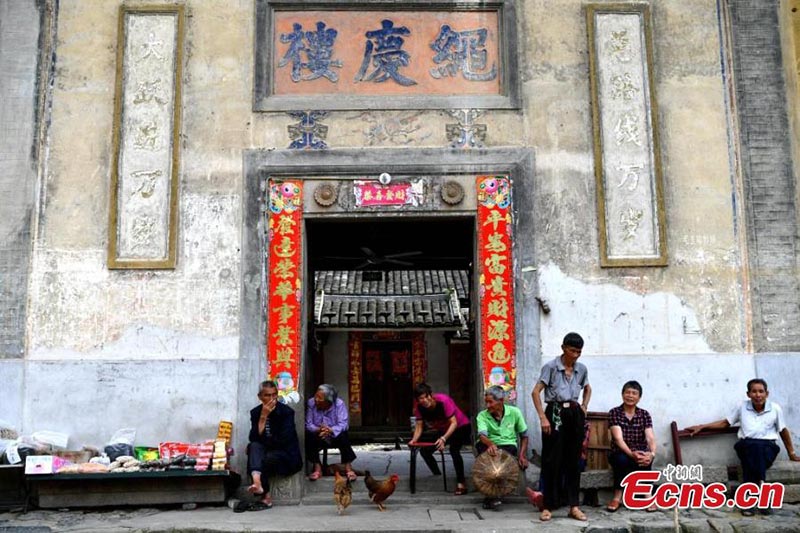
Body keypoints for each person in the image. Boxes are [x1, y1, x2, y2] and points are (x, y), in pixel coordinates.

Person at [686, 378, 800, 516]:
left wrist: (791, 453)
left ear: (767, 393)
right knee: (753, 448)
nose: (758, 395)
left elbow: (783, 430)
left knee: (754, 455)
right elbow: (725, 423)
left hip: (768, 448)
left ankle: (749, 503)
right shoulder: (742, 407)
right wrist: (702, 426)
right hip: (746, 446)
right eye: (754, 391)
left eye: (761, 391)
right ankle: (763, 495)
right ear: (748, 394)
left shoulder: (775, 408)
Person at [531, 332, 592, 522]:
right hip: (555, 413)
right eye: (573, 351)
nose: (575, 355)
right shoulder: (550, 367)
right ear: (563, 348)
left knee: (574, 461)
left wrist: (584, 406)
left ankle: (573, 506)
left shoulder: (581, 369)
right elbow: (536, 392)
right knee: (551, 460)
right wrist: (542, 418)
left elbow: (588, 388)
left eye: (579, 352)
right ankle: (548, 505)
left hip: (574, 414)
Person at [246, 380, 303, 509]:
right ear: (260, 397)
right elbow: (253, 438)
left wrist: (263, 444)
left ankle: (265, 496)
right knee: (253, 447)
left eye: (274, 395)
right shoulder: (256, 412)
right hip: (267, 450)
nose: (272, 399)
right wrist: (263, 417)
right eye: (267, 395)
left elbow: (283, 440)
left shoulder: (286, 412)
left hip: (287, 456)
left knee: (263, 457)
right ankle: (257, 483)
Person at [409, 383, 472, 495]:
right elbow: (419, 426)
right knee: (425, 451)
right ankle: (438, 475)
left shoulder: (443, 400)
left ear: (431, 395)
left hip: (461, 426)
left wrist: (443, 439)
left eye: (426, 397)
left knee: (454, 450)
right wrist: (414, 440)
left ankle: (461, 483)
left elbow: (454, 423)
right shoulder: (419, 407)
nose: (424, 400)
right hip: (444, 429)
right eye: (420, 398)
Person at [475, 385, 529, 510]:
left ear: (501, 401)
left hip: (508, 445)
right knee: (490, 463)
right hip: (487, 443)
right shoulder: (482, 415)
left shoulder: (515, 412)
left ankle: (491, 497)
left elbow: (524, 436)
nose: (487, 406)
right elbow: (482, 436)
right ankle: (492, 497)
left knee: (500, 466)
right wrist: (490, 444)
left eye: (490, 402)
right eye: (486, 402)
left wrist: (522, 455)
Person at [606, 380, 657, 512]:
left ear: (639, 398)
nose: (630, 396)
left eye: (634, 393)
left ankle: (647, 496)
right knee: (622, 460)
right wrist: (631, 454)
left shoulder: (644, 414)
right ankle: (617, 497)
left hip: (639, 451)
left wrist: (651, 454)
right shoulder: (615, 412)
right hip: (619, 451)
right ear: (622, 395)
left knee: (645, 459)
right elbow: (618, 438)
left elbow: (650, 437)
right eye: (627, 392)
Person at [305, 384, 357, 481]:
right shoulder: (311, 403)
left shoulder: (339, 404)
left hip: (334, 435)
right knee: (309, 436)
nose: (316, 399)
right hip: (319, 434)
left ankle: (348, 468)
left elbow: (344, 424)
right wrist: (319, 430)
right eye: (316, 396)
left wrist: (331, 430)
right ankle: (317, 468)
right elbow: (309, 424)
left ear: (329, 401)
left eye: (319, 398)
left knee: (343, 434)